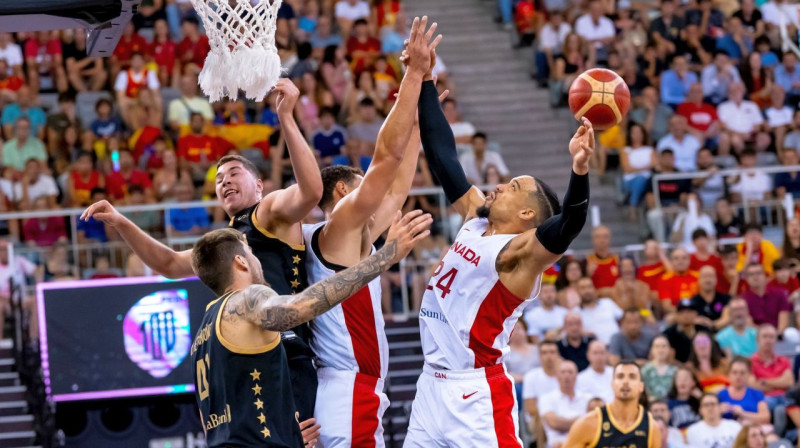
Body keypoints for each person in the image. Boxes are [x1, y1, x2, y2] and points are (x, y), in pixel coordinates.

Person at [81, 80, 324, 424]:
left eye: (234, 173)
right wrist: (121, 221)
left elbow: (312, 191)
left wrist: (286, 117)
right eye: (218, 178)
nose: (224, 180)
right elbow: (168, 263)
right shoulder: (225, 239)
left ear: (259, 185)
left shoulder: (267, 211)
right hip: (247, 353)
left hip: (285, 351)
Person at [403, 39, 593, 446]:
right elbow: (443, 157)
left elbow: (570, 223)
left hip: (475, 394)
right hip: (430, 386)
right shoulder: (476, 217)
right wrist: (425, 80)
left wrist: (579, 168)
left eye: (513, 186)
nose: (500, 185)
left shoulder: (518, 257)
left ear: (528, 214)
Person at [302, 19, 438, 446]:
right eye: (362, 187)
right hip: (348, 385)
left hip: (355, 386)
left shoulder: (352, 237)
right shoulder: (338, 226)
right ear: (343, 192)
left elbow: (397, 189)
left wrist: (417, 130)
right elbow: (385, 162)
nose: (372, 195)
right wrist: (412, 78)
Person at [189, 211, 429, 447]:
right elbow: (299, 307)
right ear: (241, 261)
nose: (256, 259)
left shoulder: (202, 332)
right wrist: (384, 257)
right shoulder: (247, 299)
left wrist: (284, 435)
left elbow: (208, 416)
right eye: (251, 253)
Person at [564, 361, 660, 447]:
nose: (625, 382)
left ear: (641, 386)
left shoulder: (652, 428)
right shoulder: (588, 423)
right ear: (612, 384)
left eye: (632, 377)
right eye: (620, 376)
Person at [538, 360, 591, 447]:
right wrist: (582, 420)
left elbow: (594, 422)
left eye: (570, 372)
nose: (566, 376)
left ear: (576, 375)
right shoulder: (546, 399)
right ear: (557, 376)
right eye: (563, 372)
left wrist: (564, 424)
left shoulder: (588, 398)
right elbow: (554, 423)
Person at [523, 340, 561, 447]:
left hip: (562, 414)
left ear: (558, 355)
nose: (548, 356)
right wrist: (551, 414)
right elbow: (530, 408)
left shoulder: (565, 374)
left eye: (552, 352)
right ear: (539, 356)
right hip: (539, 418)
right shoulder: (531, 376)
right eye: (544, 353)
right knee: (542, 419)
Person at [750, 324, 792, 412]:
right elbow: (753, 386)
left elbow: (789, 382)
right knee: (775, 407)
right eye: (765, 337)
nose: (768, 340)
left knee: (790, 404)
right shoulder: (750, 362)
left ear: (776, 340)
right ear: (757, 340)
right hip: (763, 400)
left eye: (771, 337)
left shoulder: (783, 360)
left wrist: (765, 382)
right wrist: (779, 384)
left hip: (784, 398)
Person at [718, 357, 770, 425]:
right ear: (729, 374)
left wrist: (743, 414)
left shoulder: (756, 394)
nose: (738, 376)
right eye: (734, 372)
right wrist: (718, 411)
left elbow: (766, 418)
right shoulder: (720, 395)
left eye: (742, 373)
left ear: (748, 375)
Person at [742, 263, 792, 333]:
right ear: (746, 278)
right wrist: (766, 335)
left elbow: (783, 320)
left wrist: (776, 334)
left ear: (765, 275)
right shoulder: (743, 299)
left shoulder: (779, 294)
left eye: (758, 273)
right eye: (751, 274)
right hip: (756, 336)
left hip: (779, 335)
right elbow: (749, 324)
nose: (755, 277)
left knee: (791, 333)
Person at [577, 277, 622, 346]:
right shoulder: (575, 312)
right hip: (594, 350)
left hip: (617, 345)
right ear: (578, 291)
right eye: (583, 288)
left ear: (594, 289)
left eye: (589, 287)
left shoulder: (608, 302)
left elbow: (623, 319)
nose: (587, 291)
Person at [663, 299, 711, 363]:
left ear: (695, 313)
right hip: (677, 369)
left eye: (689, 311)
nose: (686, 315)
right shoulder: (669, 334)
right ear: (677, 315)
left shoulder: (704, 331)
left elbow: (715, 353)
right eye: (682, 312)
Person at [657, 248, 700, 315]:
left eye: (684, 258)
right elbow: (667, 306)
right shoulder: (665, 279)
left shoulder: (698, 277)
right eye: (676, 258)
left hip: (697, 314)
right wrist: (685, 314)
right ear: (671, 261)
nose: (680, 261)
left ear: (689, 260)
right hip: (676, 314)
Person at [690, 265, 731, 330]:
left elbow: (728, 318)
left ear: (716, 279)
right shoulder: (691, 302)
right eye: (704, 277)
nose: (708, 280)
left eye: (711, 276)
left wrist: (711, 324)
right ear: (698, 280)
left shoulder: (726, 299)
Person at [641, 335, 678, 400]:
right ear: (652, 350)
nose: (660, 350)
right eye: (657, 346)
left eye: (664, 346)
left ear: (669, 349)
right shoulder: (645, 370)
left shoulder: (675, 371)